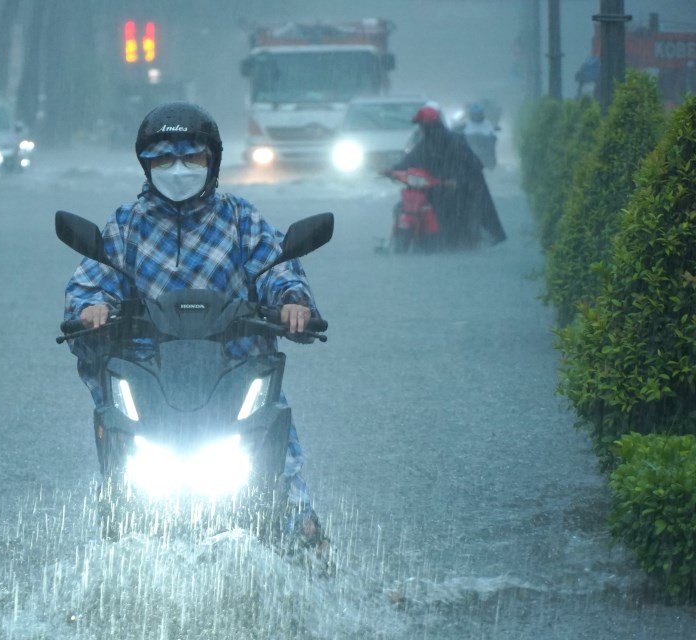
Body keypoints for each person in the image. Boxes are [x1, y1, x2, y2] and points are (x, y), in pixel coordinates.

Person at [62, 101, 329, 554]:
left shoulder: (241, 219)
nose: (178, 168)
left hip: (235, 373)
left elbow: (278, 270)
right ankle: (116, 552)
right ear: (147, 166)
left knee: (282, 469)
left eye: (191, 157)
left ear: (213, 162)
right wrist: (91, 309)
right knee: (123, 471)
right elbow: (92, 281)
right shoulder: (126, 226)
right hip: (149, 376)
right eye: (164, 158)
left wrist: (292, 303)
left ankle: (308, 546)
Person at [387, 104, 507, 249]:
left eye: (423, 125)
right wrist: (393, 170)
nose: (422, 128)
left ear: (431, 125)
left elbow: (473, 165)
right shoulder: (425, 143)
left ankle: (467, 235)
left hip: (459, 190)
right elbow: (410, 159)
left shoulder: (455, 141)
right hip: (433, 188)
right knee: (403, 206)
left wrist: (457, 180)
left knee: (460, 205)